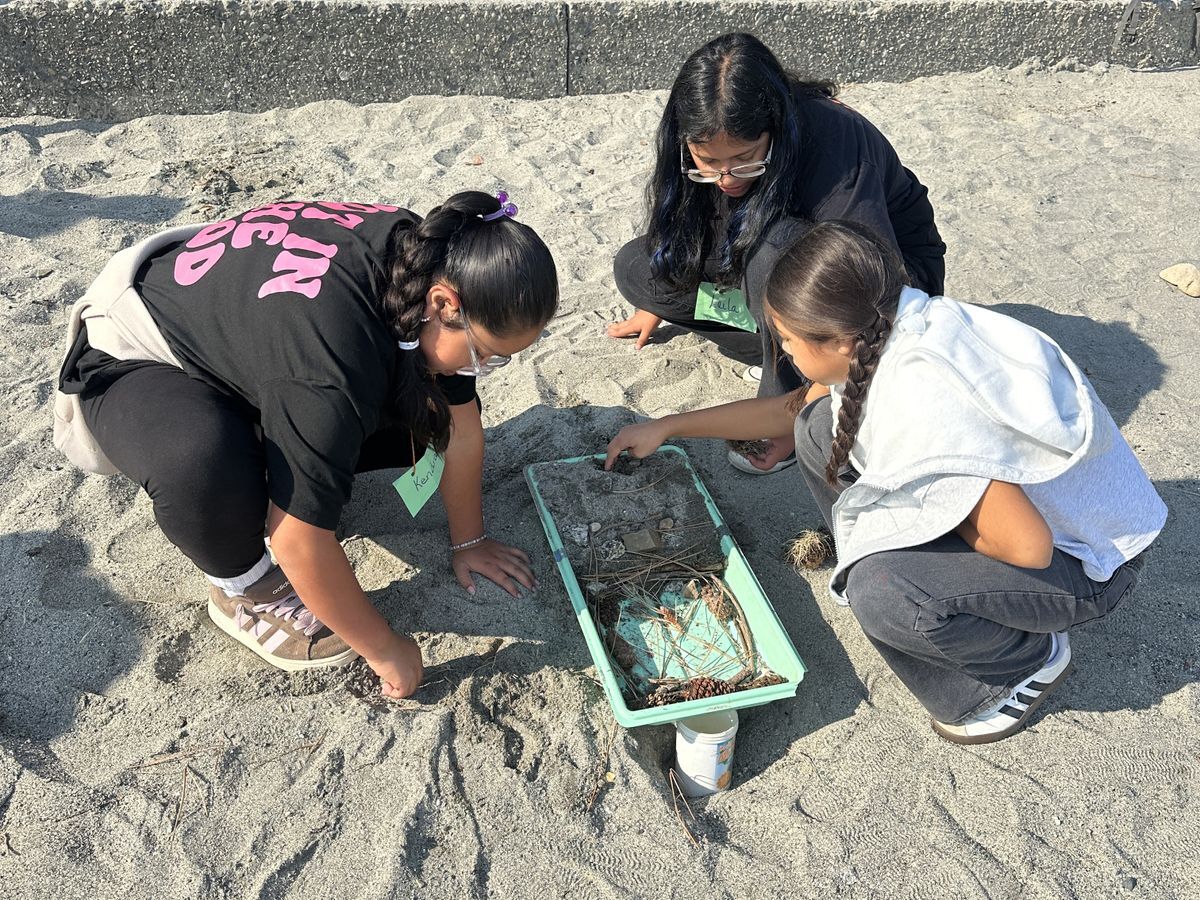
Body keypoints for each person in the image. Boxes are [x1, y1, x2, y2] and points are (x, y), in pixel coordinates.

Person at [605, 221, 1165, 744]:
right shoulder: (890, 323)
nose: (787, 357)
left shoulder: (925, 401)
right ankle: (930, 575)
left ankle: (1018, 665)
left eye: (790, 343)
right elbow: (793, 408)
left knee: (885, 588)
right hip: (1053, 521)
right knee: (819, 428)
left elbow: (1027, 545)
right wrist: (670, 427)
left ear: (841, 342)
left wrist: (913, 525)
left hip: (1086, 564)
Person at [53, 191, 558, 699]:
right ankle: (244, 587)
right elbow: (296, 540)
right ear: (444, 303)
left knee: (420, 415)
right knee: (202, 461)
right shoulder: (331, 366)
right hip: (135, 349)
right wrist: (387, 651)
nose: (481, 371)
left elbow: (460, 428)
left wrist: (468, 541)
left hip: (246, 325)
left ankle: (281, 458)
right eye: (485, 355)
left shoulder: (427, 259)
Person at [607, 32, 946, 476]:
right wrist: (662, 298)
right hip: (760, 255)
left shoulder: (834, 142)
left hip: (881, 272)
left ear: (775, 126)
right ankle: (779, 342)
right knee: (638, 267)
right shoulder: (696, 143)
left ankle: (787, 392)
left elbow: (867, 283)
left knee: (775, 250)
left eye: (746, 158)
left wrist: (792, 417)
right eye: (706, 162)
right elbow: (695, 222)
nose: (726, 178)